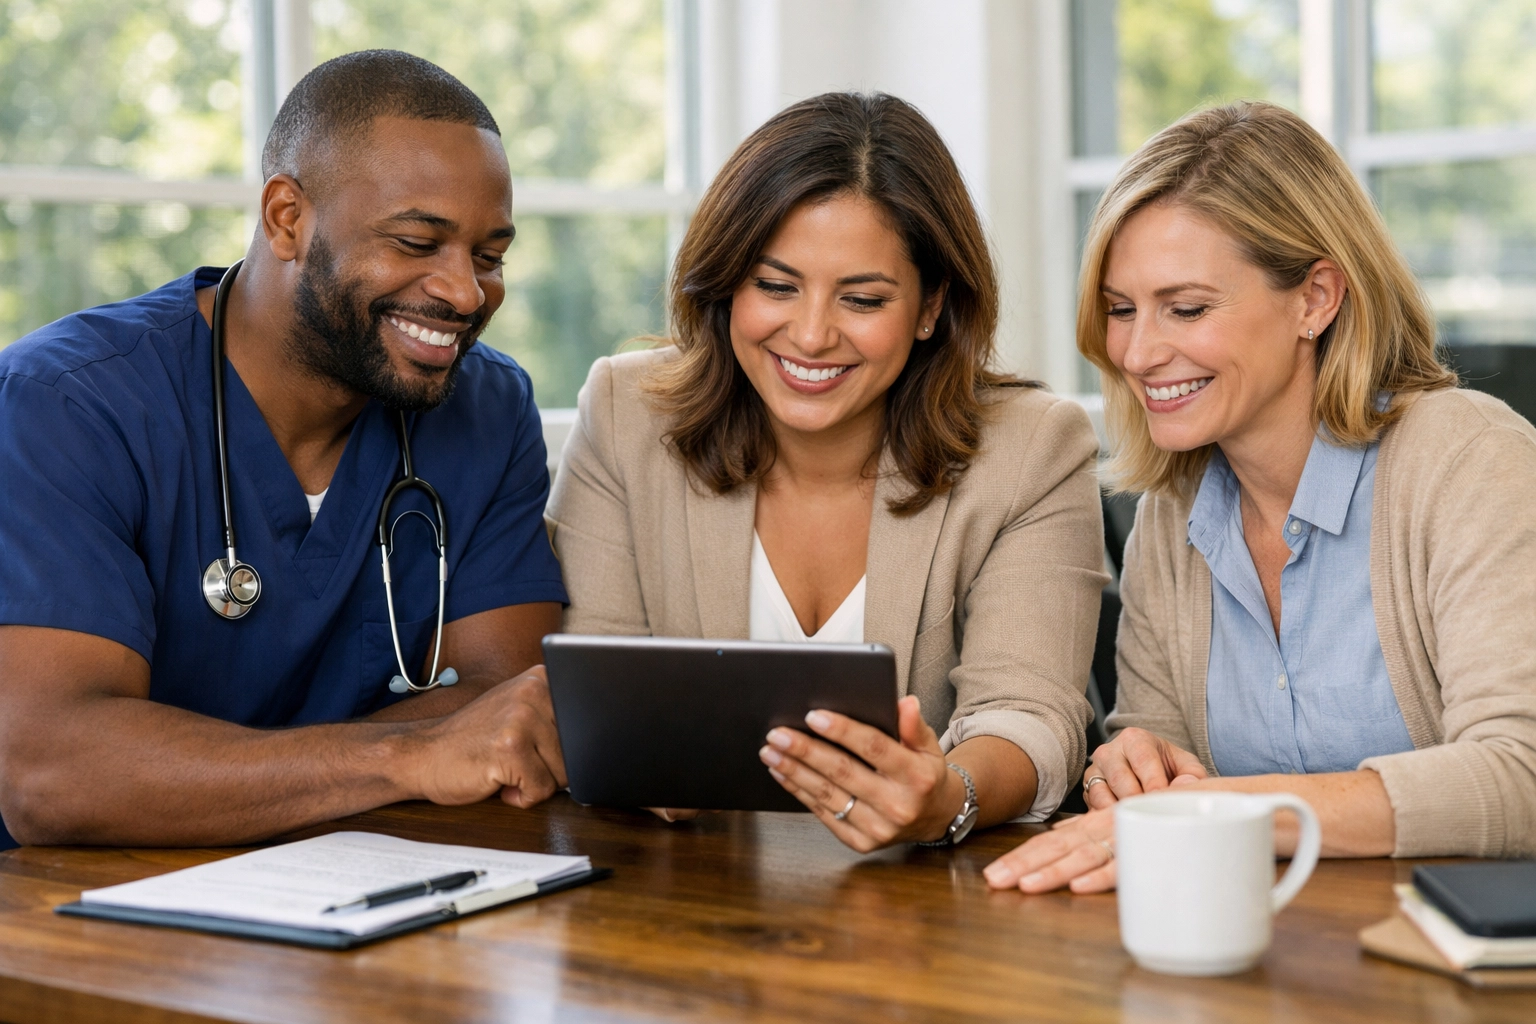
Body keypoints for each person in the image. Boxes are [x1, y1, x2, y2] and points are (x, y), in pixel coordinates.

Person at [0, 51, 572, 849]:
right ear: (286, 218)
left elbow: (509, 713)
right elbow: (54, 775)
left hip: (377, 883)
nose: (466, 293)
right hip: (87, 902)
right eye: (417, 242)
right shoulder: (67, 403)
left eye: (489, 256)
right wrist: (408, 755)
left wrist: (196, 771)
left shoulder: (486, 407)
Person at [985, 101, 1536, 896]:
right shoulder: (1172, 517)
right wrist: (1128, 768)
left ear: (1315, 299)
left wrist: (1224, 810)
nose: (1137, 353)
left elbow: (1520, 777)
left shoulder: (1468, 461)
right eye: (1120, 309)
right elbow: (1156, 761)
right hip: (1254, 944)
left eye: (1187, 308)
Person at [546, 92, 1107, 852]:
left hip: (919, 895)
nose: (811, 336)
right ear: (727, 284)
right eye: (776, 287)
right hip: (686, 881)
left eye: (863, 299)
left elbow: (1031, 715)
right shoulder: (625, 414)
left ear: (931, 306)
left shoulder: (1034, 448)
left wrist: (947, 796)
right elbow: (594, 693)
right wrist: (632, 762)